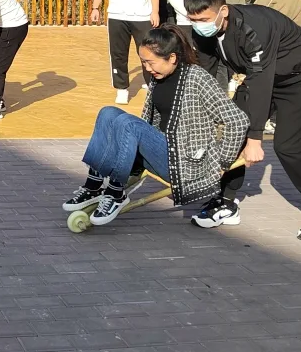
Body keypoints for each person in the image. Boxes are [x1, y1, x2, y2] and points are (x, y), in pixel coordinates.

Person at [184, 0, 301, 243]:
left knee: (289, 148)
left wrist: (255, 138)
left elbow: (260, 82)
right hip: (262, 75)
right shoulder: (203, 32)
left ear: (223, 11)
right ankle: (227, 202)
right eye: (193, 20)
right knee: (234, 131)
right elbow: (205, 75)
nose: (199, 25)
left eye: (203, 19)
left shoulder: (253, 28)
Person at [63, 26, 248, 225]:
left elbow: (238, 120)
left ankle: (116, 192)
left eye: (150, 62)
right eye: (143, 62)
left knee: (129, 124)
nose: (147, 68)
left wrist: (223, 162)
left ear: (172, 58)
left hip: (185, 163)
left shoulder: (197, 78)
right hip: (161, 150)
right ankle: (93, 186)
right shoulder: (158, 77)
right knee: (107, 113)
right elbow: (148, 121)